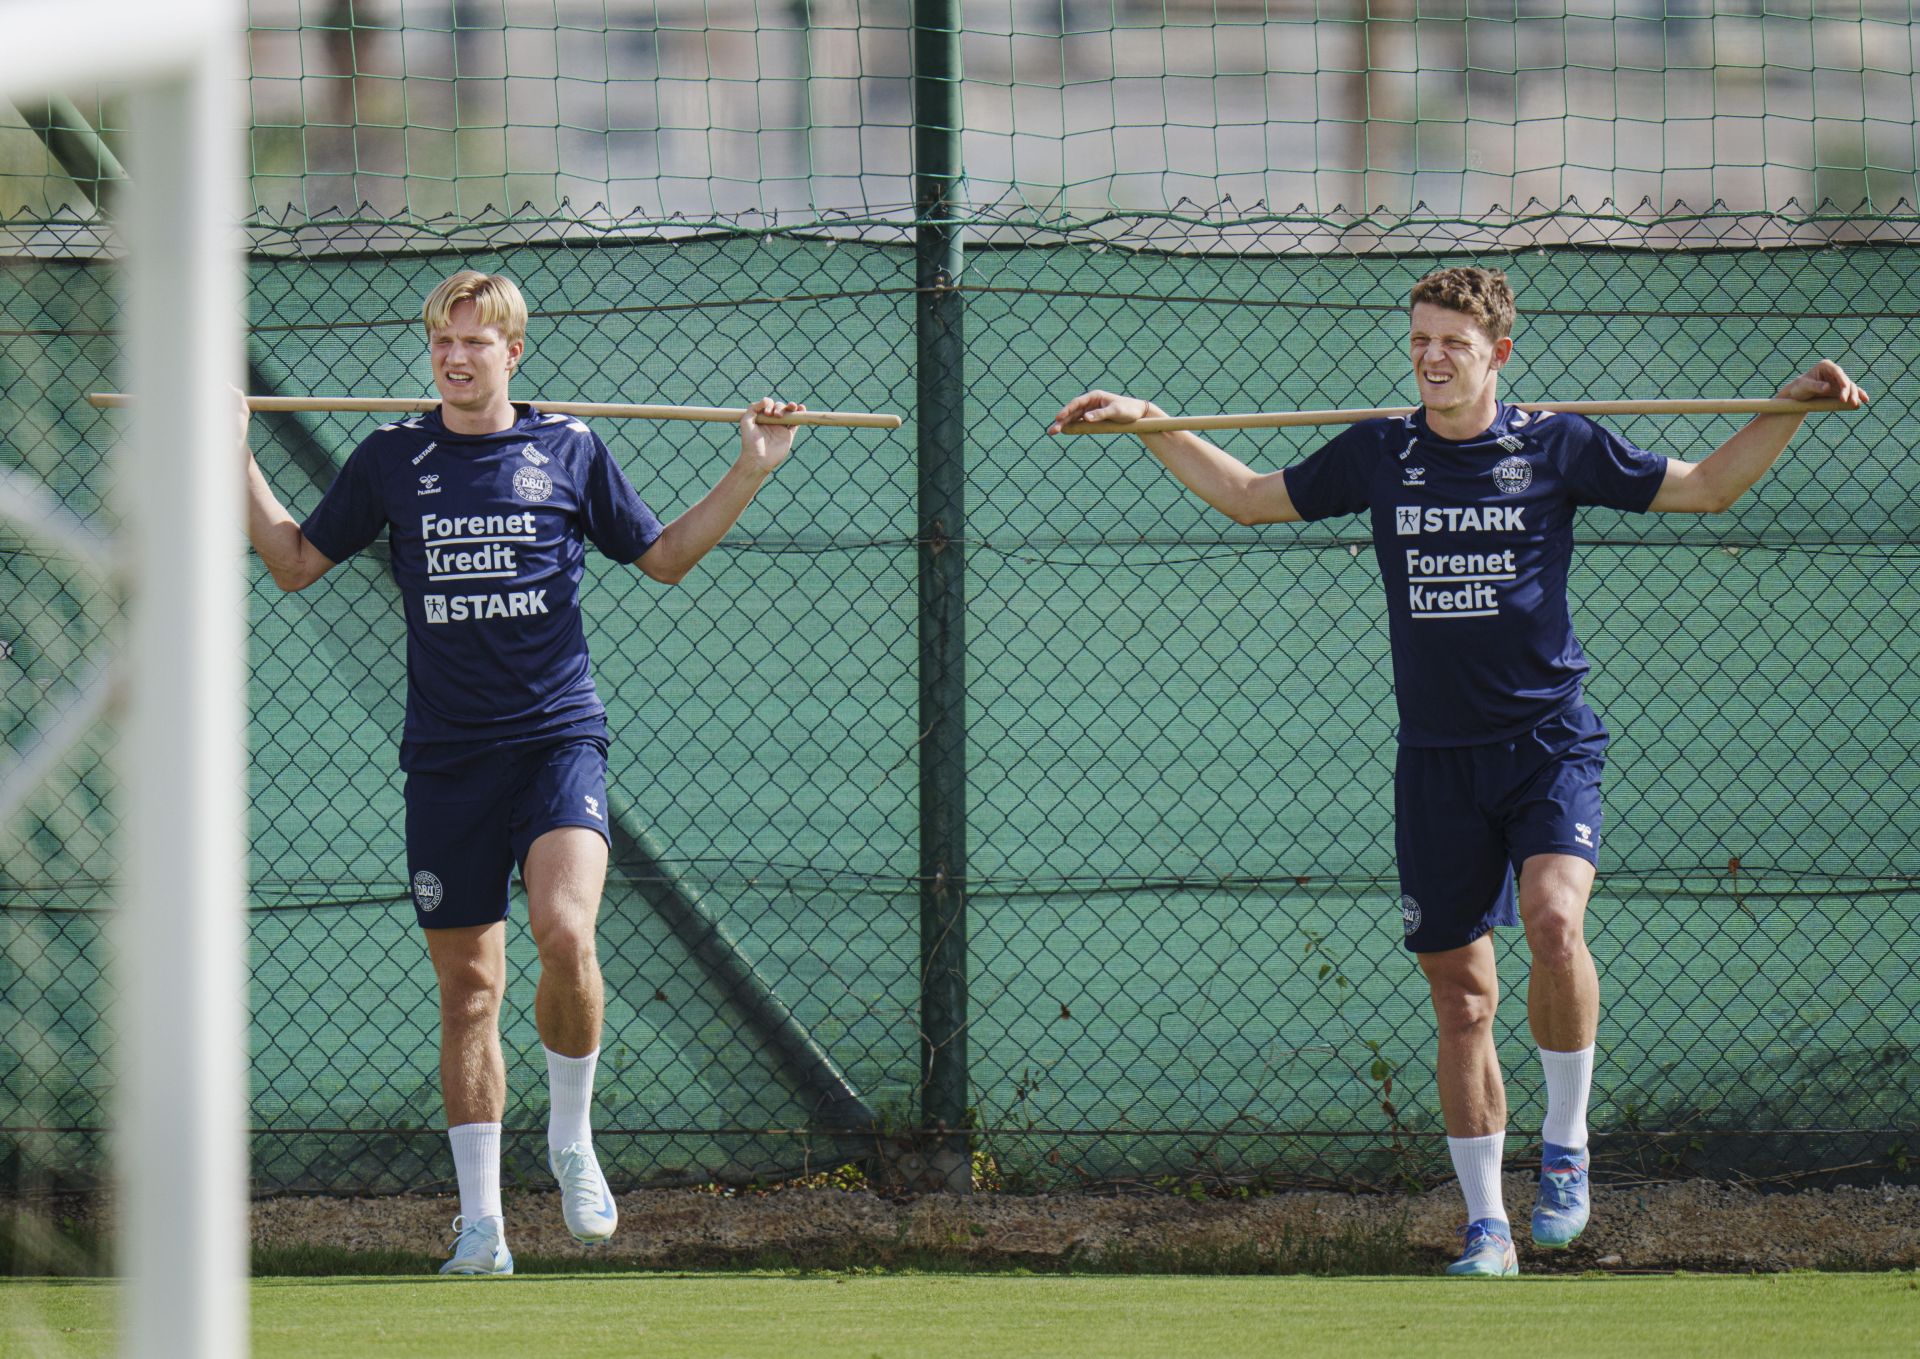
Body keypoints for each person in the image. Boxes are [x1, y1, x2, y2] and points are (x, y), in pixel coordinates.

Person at [1049, 266, 1867, 1276]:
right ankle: (1487, 1226)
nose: (1433, 358)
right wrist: (1150, 422)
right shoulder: (1380, 450)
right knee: (1462, 997)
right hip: (1436, 762)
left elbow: (1706, 487)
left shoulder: (1559, 444)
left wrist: (1787, 409)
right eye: (1422, 341)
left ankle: (1565, 1148)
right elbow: (1250, 500)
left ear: (1499, 356)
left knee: (1555, 920)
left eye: (1455, 344)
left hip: (1548, 742)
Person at [242, 270, 807, 1276]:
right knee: (469, 995)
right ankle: (482, 1228)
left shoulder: (569, 449)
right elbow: (292, 562)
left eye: (476, 342)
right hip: (447, 762)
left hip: (556, 741)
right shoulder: (391, 458)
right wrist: (231, 453)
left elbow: (665, 557)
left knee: (567, 928)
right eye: (441, 343)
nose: (456, 358)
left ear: (515, 352)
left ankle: (573, 1137)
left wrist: (752, 469)